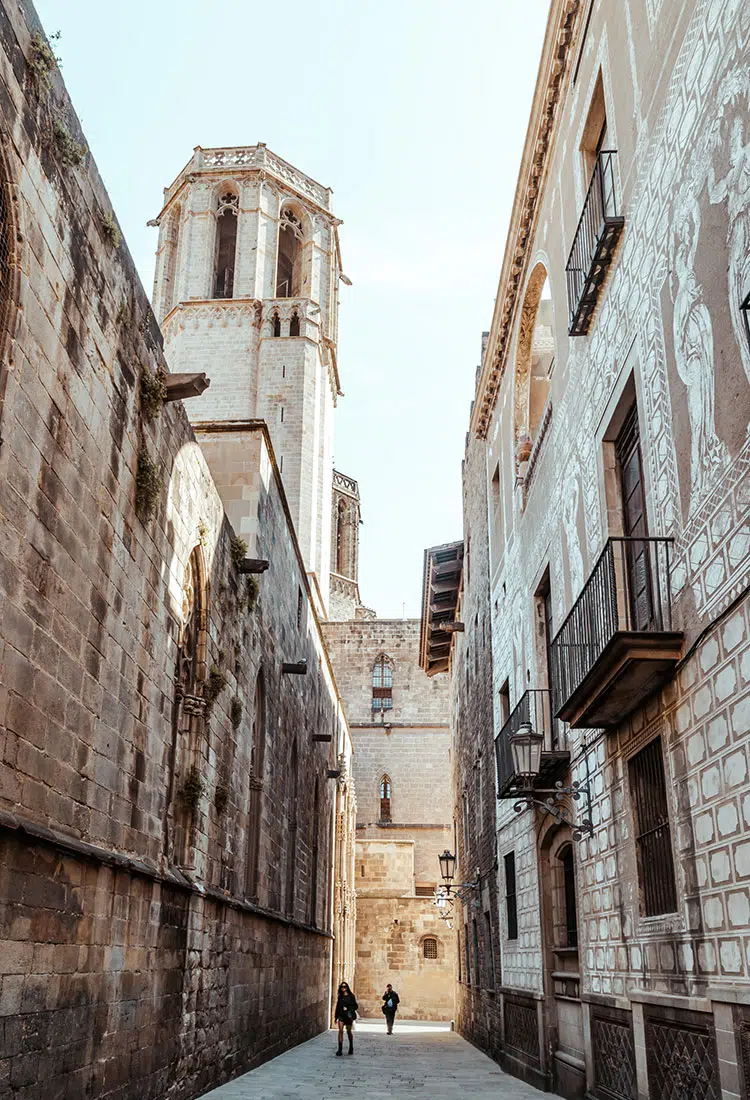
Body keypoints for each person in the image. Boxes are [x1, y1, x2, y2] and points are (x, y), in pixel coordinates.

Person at [334, 981, 358, 1056]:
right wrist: (336, 1017)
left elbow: (355, 1006)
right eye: (341, 987)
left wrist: (348, 1008)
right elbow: (337, 1006)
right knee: (340, 1031)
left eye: (344, 987)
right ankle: (340, 1049)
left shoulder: (351, 996)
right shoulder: (340, 996)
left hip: (348, 1017)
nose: (343, 988)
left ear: (347, 988)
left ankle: (351, 1046)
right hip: (341, 1016)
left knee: (348, 1031)